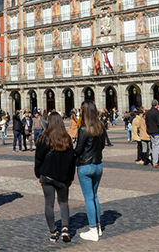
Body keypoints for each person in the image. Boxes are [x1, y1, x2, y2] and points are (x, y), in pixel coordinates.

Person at [35, 112, 75, 243]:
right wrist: (70, 177)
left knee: (49, 204)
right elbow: (71, 160)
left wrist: (38, 174)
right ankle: (65, 229)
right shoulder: (67, 138)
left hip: (47, 175)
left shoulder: (43, 138)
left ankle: (53, 232)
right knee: (63, 203)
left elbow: (38, 159)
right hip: (63, 177)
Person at [75, 101, 106, 242]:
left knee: (88, 198)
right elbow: (103, 145)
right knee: (94, 196)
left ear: (84, 111)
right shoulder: (100, 126)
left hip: (85, 166)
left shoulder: (83, 129)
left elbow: (79, 149)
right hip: (98, 165)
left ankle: (93, 229)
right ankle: (98, 227)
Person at [145, 100, 159, 168]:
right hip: (157, 131)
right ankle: (155, 163)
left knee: (153, 147)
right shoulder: (157, 112)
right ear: (157, 104)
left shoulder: (148, 112)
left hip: (151, 131)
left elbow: (146, 122)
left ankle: (153, 160)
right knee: (157, 148)